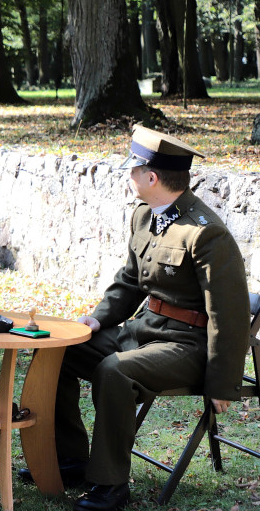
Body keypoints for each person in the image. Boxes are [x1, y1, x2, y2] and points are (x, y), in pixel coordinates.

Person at [33, 126, 250, 511]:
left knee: (115, 372)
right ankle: (69, 461)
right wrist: (98, 319)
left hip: (187, 346)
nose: (128, 175)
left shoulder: (206, 233)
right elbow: (130, 281)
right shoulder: (144, 216)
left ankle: (110, 486)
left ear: (151, 177)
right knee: (57, 350)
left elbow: (229, 315)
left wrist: (223, 383)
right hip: (144, 330)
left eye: (133, 170)